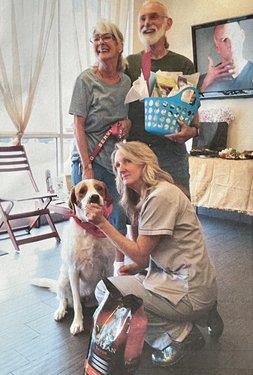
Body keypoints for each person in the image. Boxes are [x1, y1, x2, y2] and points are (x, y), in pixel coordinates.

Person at [85, 141, 224, 367]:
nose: (120, 168)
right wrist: (142, 268)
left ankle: (180, 335)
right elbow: (167, 249)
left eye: (127, 160)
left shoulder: (160, 196)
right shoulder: (155, 193)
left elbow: (140, 253)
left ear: (145, 162)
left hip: (188, 290)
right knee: (127, 282)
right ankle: (205, 313)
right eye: (117, 164)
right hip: (191, 281)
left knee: (104, 290)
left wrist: (102, 223)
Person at [69, 20, 131, 263]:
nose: (100, 42)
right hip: (89, 161)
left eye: (107, 37)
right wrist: (86, 167)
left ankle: (115, 279)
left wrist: (126, 125)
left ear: (119, 45)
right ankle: (84, 282)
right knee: (89, 226)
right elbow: (78, 125)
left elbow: (125, 120)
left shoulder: (126, 82)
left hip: (115, 165)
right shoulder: (85, 80)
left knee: (117, 222)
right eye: (96, 38)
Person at [125, 1, 199, 196]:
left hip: (172, 156)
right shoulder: (129, 64)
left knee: (179, 213)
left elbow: (194, 120)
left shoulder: (184, 64)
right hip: (137, 156)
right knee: (138, 215)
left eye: (154, 16)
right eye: (143, 18)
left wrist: (189, 132)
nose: (147, 23)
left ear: (168, 23)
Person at [199, 22, 253, 92]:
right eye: (224, 40)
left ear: (242, 36)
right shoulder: (204, 81)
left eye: (234, 35)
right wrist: (205, 85)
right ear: (217, 48)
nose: (230, 44)